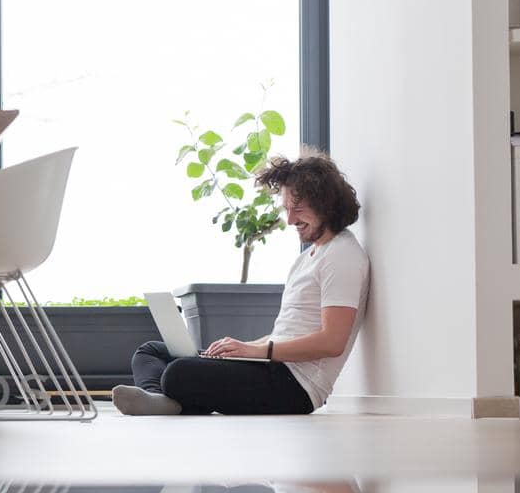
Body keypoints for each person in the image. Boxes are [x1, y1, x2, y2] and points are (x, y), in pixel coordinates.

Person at [113, 150, 370, 416]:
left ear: (325, 205)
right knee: (150, 351)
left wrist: (258, 351)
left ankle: (169, 400)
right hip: (274, 365)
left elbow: (332, 341)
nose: (291, 220)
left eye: (299, 210)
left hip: (296, 386)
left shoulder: (343, 255)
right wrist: (239, 349)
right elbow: (287, 332)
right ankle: (162, 401)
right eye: (287, 210)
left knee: (179, 373)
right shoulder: (308, 258)